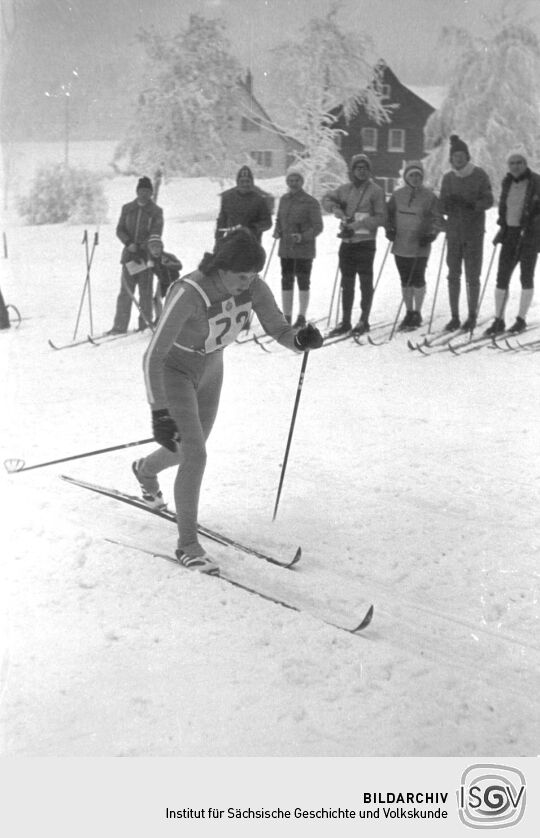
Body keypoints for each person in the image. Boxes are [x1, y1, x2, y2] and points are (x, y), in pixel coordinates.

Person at [132, 228, 323, 575]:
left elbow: (279, 329)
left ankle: (145, 470)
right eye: (240, 276)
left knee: (187, 448)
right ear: (221, 267)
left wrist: (300, 340)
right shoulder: (189, 292)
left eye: (252, 276)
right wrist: (159, 411)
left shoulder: (252, 285)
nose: (246, 282)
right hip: (174, 370)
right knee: (195, 453)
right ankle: (187, 544)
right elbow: (152, 356)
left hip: (211, 369)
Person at [322, 153, 385, 336]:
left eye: (365, 168)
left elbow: (381, 217)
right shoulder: (345, 189)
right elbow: (326, 199)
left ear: (369, 170)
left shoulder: (376, 191)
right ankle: (346, 320)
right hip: (347, 242)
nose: (362, 171)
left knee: (365, 281)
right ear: (353, 170)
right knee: (346, 282)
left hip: (365, 242)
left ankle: (364, 320)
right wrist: (337, 209)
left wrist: (359, 224)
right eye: (358, 168)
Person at [439, 135, 493, 331]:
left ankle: (471, 315)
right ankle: (455, 316)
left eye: (461, 156)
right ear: (451, 158)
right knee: (453, 275)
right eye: (455, 156)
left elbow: (488, 200)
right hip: (453, 233)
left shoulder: (479, 175)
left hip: (473, 233)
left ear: (467, 157)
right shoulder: (448, 177)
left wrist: (472, 205)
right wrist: (446, 206)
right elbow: (441, 205)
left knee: (473, 276)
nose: (458, 159)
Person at [485, 152, 540, 335]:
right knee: (502, 277)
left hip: (530, 235)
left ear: (525, 164)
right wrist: (502, 224)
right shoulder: (507, 181)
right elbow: (504, 206)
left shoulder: (536, 181)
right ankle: (498, 320)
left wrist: (533, 222)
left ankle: (521, 320)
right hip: (510, 233)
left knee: (526, 276)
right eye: (512, 163)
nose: (515, 166)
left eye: (519, 163)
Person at [385, 161, 443, 330]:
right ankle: (408, 311)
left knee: (418, 279)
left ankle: (417, 312)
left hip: (420, 244)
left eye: (418, 175)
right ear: (406, 177)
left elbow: (437, 218)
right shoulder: (397, 195)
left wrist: (431, 234)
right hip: (401, 243)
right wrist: (389, 229)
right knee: (404, 279)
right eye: (412, 175)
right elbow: (387, 215)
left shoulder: (429, 196)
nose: (415, 178)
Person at [108, 176, 164, 334]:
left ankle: (144, 325)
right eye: (141, 191)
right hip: (129, 258)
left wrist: (142, 247)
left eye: (147, 191)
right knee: (125, 292)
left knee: (145, 293)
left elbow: (156, 234)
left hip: (146, 258)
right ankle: (119, 326)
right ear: (137, 191)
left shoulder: (156, 212)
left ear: (151, 193)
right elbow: (120, 230)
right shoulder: (127, 208)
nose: (144, 194)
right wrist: (128, 243)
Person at [272, 167, 323, 327]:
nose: (293, 183)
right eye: (291, 180)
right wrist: (277, 230)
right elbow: (279, 219)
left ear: (302, 182)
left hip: (304, 249)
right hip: (286, 248)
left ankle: (301, 316)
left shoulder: (310, 202)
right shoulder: (284, 200)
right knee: (286, 280)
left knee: (303, 280)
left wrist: (303, 236)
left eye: (297, 180)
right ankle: (287, 316)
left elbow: (318, 227)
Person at [215, 165, 273, 243]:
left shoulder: (259, 200)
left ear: (252, 182)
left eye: (247, 181)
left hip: (252, 242)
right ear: (237, 182)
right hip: (231, 242)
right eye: (242, 181)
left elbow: (267, 222)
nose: (245, 184)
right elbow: (222, 220)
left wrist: (253, 227)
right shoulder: (228, 198)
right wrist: (218, 238)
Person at [145, 234, 183, 322]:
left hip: (174, 281)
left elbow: (179, 266)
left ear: (161, 247)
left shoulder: (168, 256)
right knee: (156, 300)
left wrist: (169, 264)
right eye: (152, 248)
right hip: (162, 282)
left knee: (174, 299)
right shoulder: (151, 260)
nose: (155, 250)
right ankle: (159, 318)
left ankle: (177, 317)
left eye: (157, 247)